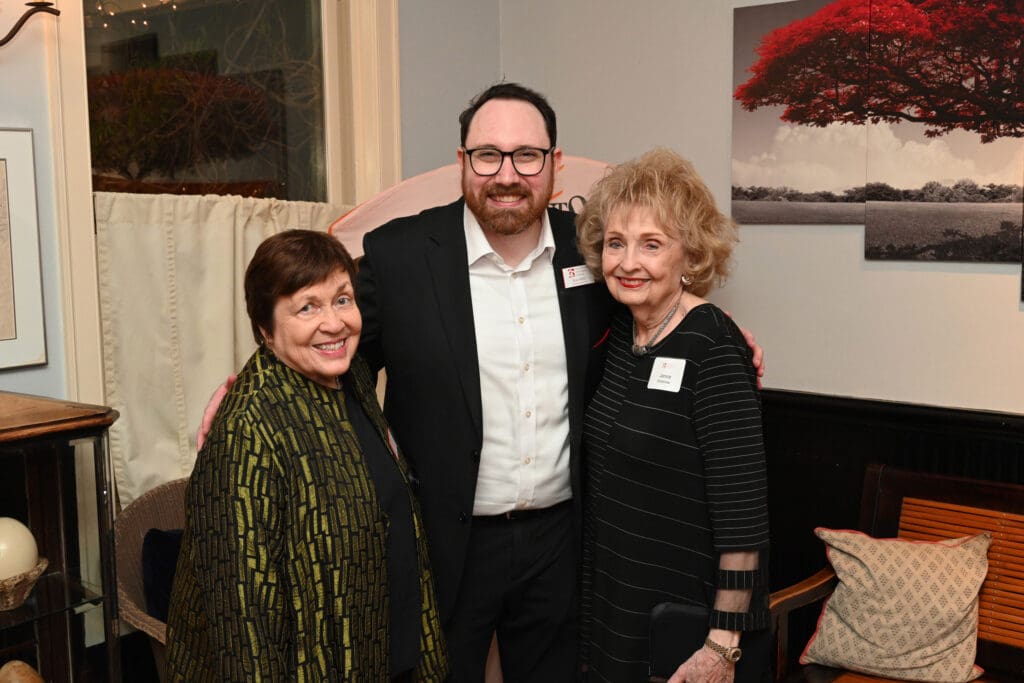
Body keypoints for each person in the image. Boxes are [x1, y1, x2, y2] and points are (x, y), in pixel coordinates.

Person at [198, 83, 764, 682]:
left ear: (555, 164)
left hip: (565, 546)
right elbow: (332, 347)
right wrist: (252, 388)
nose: (507, 174)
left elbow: (656, 296)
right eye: (487, 155)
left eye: (527, 155)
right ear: (463, 162)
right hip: (446, 541)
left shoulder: (594, 251)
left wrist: (718, 328)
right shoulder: (400, 255)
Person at [166, 230, 447, 681]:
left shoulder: (351, 377)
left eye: (342, 299)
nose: (334, 323)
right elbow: (244, 627)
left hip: (384, 654)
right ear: (265, 327)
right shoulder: (246, 433)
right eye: (307, 307)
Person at [574, 148, 770, 683]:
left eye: (651, 244)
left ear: (691, 255)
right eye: (616, 243)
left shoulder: (713, 345)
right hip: (618, 606)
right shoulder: (618, 336)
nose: (628, 262)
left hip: (685, 625)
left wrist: (721, 645)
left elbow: (743, 514)